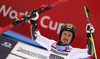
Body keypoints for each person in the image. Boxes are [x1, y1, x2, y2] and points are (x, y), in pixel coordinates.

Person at [29, 10, 95, 59]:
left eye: (69, 35)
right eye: (65, 34)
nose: (66, 37)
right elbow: (36, 37)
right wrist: (34, 21)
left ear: (72, 39)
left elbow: (90, 52)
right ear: (61, 35)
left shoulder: (73, 52)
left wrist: (90, 35)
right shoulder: (51, 44)